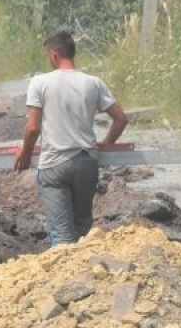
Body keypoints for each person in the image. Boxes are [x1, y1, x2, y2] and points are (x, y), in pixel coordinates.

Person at [13, 30, 130, 247]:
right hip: (86, 162)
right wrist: (106, 144)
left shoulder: (40, 83)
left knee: (62, 234)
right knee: (82, 228)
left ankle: (64, 266)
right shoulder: (93, 83)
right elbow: (121, 119)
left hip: (55, 165)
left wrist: (26, 153)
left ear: (54, 54)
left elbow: (33, 128)